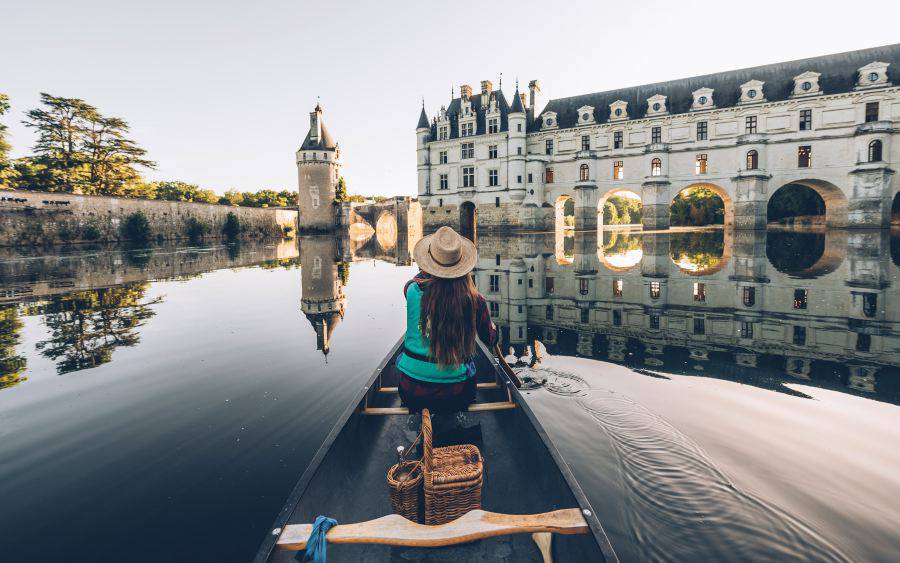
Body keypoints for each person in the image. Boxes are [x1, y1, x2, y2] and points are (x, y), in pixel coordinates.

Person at [397, 226, 497, 415]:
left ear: (427, 265)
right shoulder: (476, 301)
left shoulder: (410, 289)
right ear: (463, 266)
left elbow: (418, 281)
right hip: (456, 396)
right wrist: (493, 329)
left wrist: (428, 269)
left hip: (410, 393)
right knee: (468, 368)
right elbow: (490, 340)